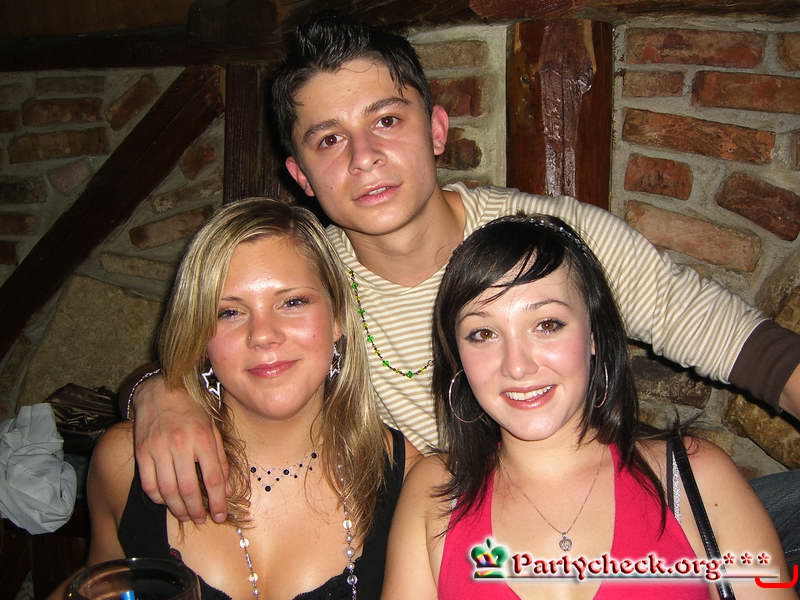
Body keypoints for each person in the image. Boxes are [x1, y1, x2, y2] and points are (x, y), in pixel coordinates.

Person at [124, 14, 799, 569]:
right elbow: (219, 349)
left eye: (386, 121)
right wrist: (161, 393)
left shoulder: (546, 239)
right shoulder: (309, 288)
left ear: (437, 129)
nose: (363, 157)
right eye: (329, 139)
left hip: (622, 524)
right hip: (456, 551)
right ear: (300, 175)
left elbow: (734, 339)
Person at [382, 214, 795, 599]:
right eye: (483, 333)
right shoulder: (435, 493)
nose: (517, 366)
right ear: (457, 355)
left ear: (594, 334)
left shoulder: (694, 477)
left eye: (547, 325)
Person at [83, 198, 417, 599]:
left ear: (338, 319)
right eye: (229, 312)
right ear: (199, 334)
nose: (263, 335)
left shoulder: (410, 480)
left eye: (292, 302)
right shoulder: (125, 462)